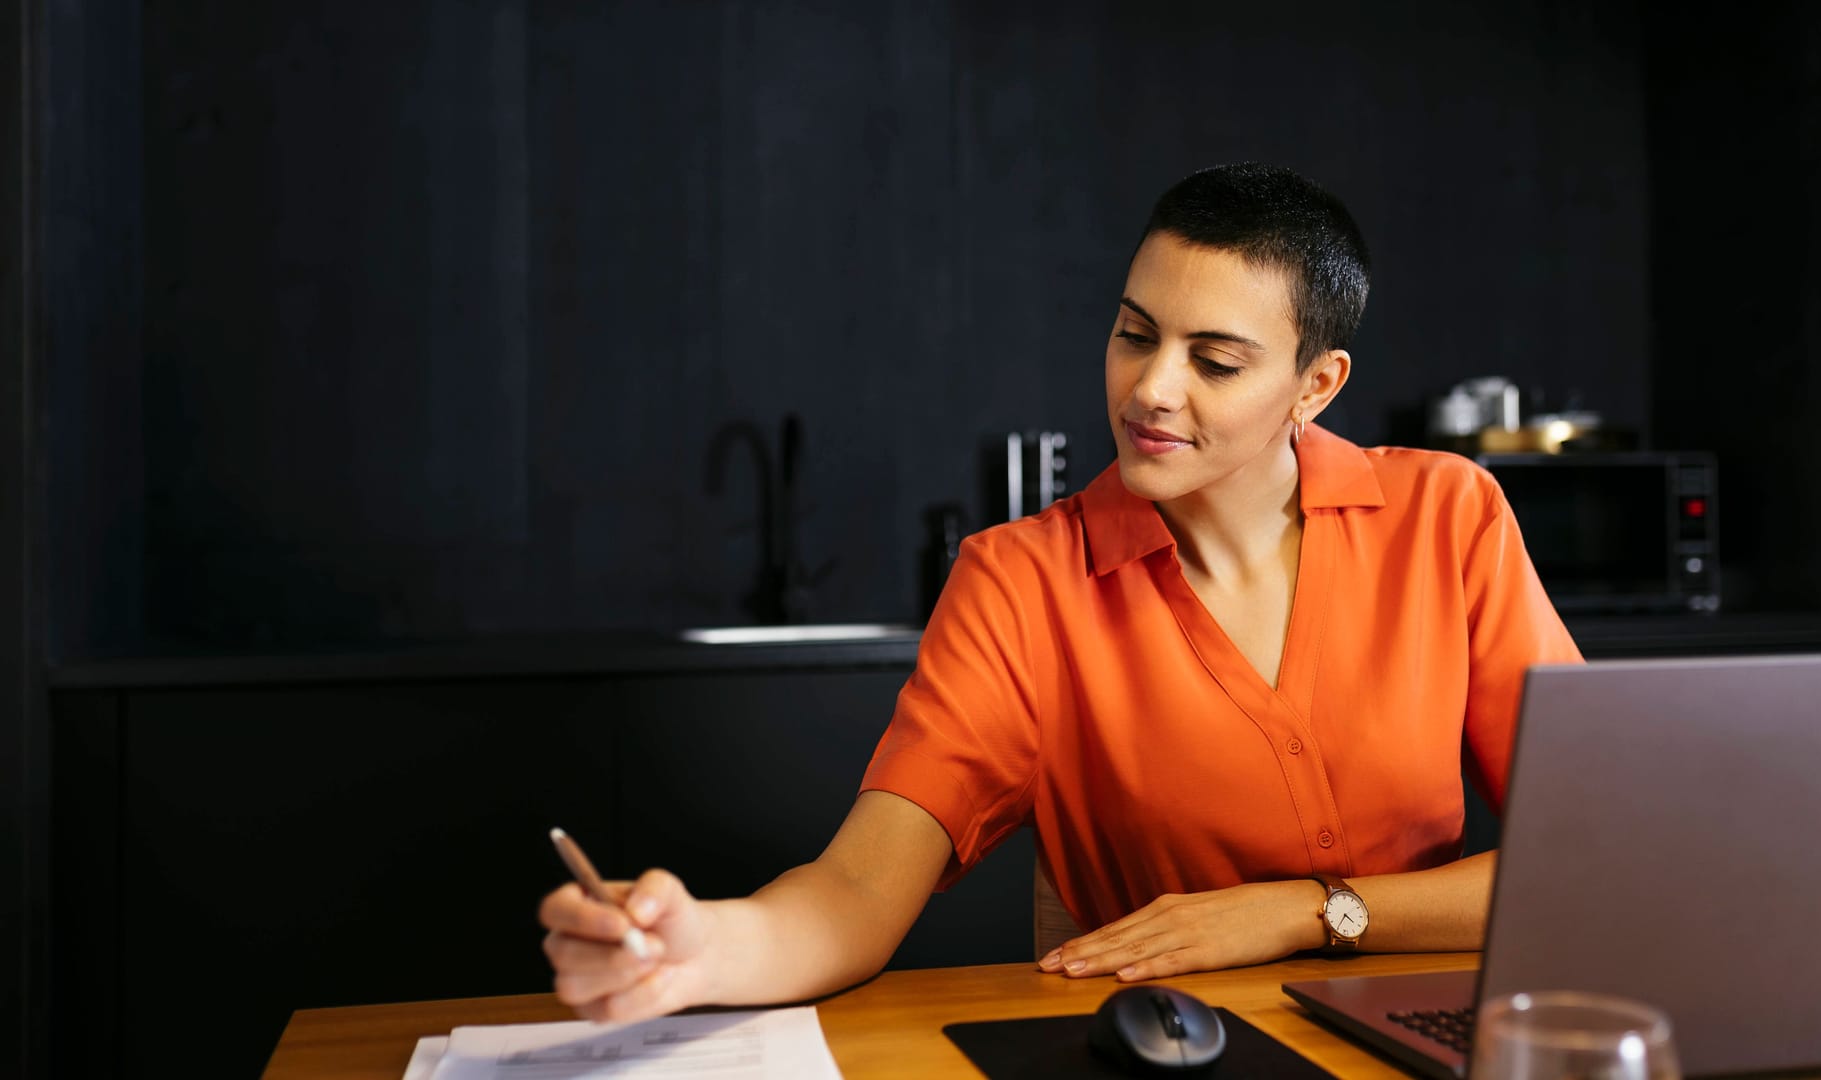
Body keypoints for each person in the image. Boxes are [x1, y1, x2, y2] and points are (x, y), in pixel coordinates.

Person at [539, 163, 1581, 1023]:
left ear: (1316, 385)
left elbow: (1588, 860)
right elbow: (861, 886)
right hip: (1177, 1050)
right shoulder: (1020, 581)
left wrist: (1304, 913)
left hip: (1438, 1036)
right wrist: (703, 950)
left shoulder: (1451, 516)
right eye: (1135, 334)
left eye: (1214, 360)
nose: (1150, 389)